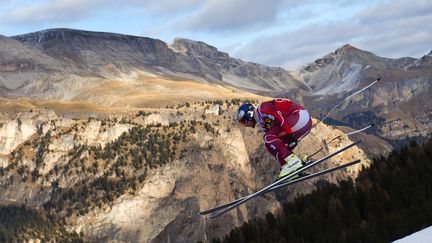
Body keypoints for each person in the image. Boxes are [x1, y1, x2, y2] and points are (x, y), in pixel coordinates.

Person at [235, 98, 312, 180]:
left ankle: (293, 162)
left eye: (243, 121)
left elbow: (280, 119)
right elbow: (276, 143)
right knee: (269, 143)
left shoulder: (262, 109)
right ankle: (287, 166)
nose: (245, 125)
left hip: (300, 116)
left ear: (249, 114)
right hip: (303, 122)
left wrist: (289, 135)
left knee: (267, 137)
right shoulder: (262, 122)